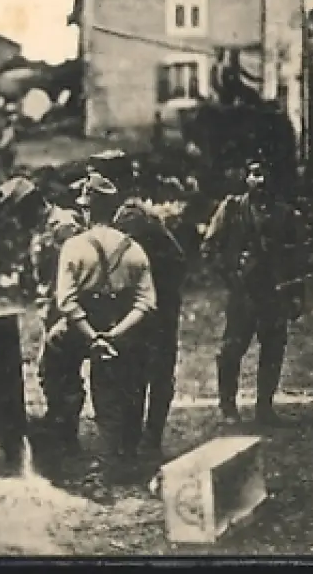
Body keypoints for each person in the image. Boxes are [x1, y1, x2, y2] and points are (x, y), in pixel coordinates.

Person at [55, 174, 157, 476]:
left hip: (83, 328)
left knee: (57, 366)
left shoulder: (73, 247)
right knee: (127, 383)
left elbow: (66, 302)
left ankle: (67, 440)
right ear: (114, 211)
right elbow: (147, 302)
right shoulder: (134, 249)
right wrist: (114, 334)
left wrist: (93, 338)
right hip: (124, 327)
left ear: (87, 210)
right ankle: (127, 453)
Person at [200, 158, 304, 426]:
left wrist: (296, 295)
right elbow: (209, 247)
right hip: (243, 293)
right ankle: (228, 407)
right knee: (231, 350)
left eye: (266, 174)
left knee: (273, 350)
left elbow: (296, 259)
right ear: (246, 178)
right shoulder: (232, 209)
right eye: (255, 174)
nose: (261, 181)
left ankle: (265, 408)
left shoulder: (286, 215)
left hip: (274, 293)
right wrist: (230, 273)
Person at [0, 176, 84, 451]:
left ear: (30, 206)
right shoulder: (42, 228)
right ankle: (62, 427)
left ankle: (67, 435)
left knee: (61, 371)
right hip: (53, 311)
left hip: (69, 311)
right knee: (52, 371)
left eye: (18, 214)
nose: (17, 222)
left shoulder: (63, 226)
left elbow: (80, 271)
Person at [108, 174, 188, 457]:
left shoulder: (130, 219)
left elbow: (175, 262)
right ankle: (144, 438)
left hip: (151, 309)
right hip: (154, 306)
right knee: (148, 372)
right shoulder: (139, 217)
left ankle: (141, 438)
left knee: (142, 372)